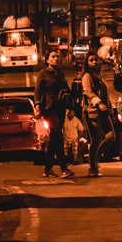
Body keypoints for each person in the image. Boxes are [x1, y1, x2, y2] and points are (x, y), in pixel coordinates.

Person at [34, 49, 74, 179]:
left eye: (57, 56)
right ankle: (64, 168)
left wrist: (70, 108)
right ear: (47, 60)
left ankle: (48, 169)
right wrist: (38, 106)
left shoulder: (60, 74)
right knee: (58, 136)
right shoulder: (43, 73)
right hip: (49, 109)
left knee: (54, 139)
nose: (56, 58)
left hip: (60, 109)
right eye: (53, 56)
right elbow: (38, 91)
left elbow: (66, 91)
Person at [81, 51, 113, 177]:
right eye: (91, 60)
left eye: (96, 60)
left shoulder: (98, 75)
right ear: (87, 62)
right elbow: (87, 92)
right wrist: (99, 103)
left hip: (104, 112)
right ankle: (93, 167)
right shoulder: (87, 76)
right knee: (96, 139)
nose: (94, 62)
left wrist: (110, 110)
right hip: (93, 112)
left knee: (111, 137)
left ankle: (94, 160)